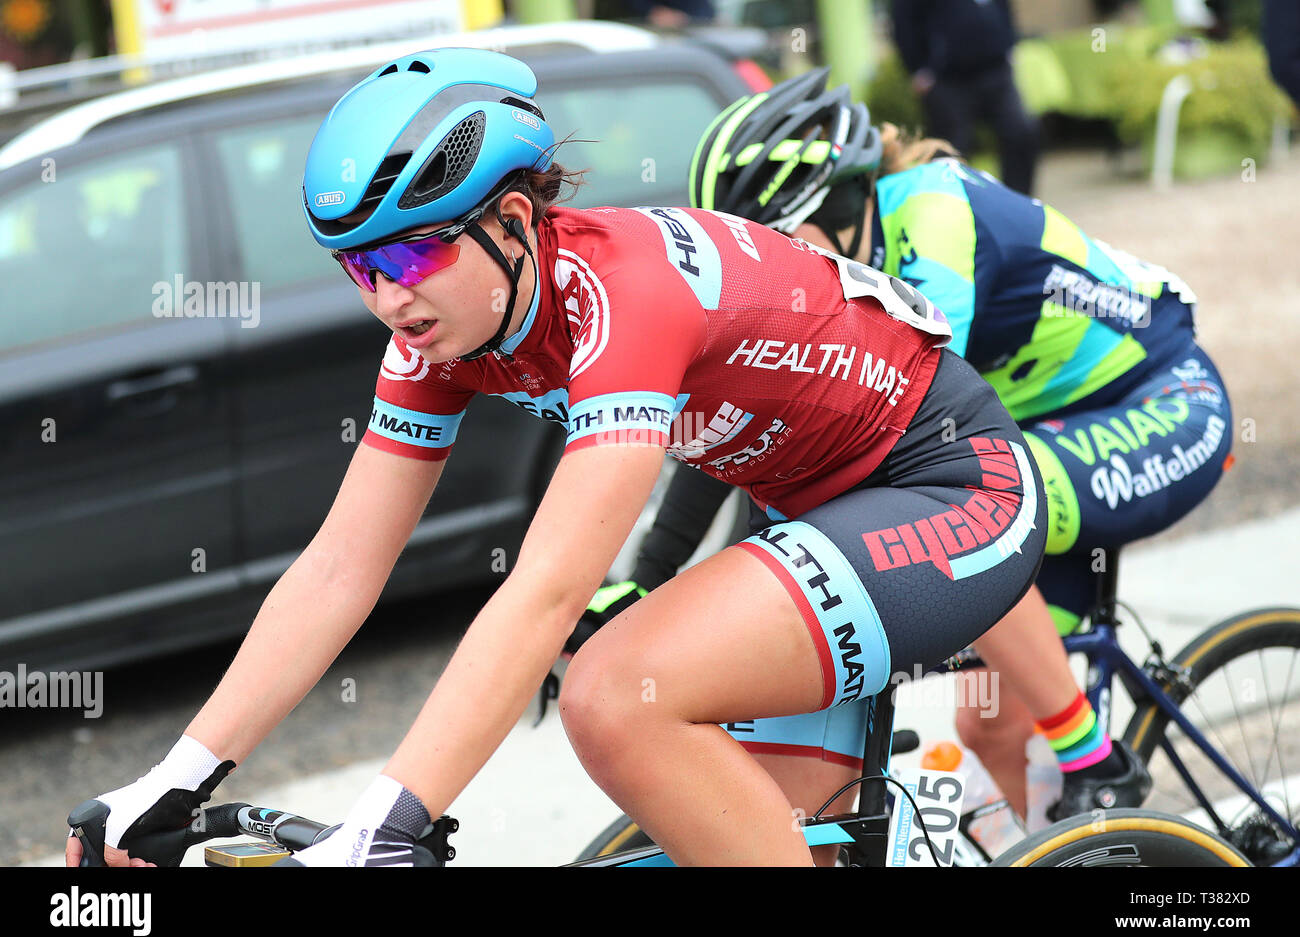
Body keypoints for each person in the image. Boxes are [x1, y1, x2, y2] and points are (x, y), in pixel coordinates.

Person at [64, 48, 1044, 867]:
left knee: (614, 694)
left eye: (408, 256)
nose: (388, 298)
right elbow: (338, 567)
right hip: (812, 509)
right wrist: (172, 778)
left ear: (513, 223)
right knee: (771, 843)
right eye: (358, 268)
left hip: (949, 484)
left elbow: (544, 587)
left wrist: (389, 820)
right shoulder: (435, 336)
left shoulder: (629, 295)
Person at [576, 68, 1234, 836]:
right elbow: (744, 432)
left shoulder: (931, 219)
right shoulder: (824, 264)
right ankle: (1094, 857)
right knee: (991, 726)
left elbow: (899, 453)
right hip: (1038, 427)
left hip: (1158, 402)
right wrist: (645, 579)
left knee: (957, 510)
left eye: (782, 240)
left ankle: (1098, 764)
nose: (769, 264)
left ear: (850, 201)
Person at [890, 0, 1039, 195]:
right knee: (950, 151)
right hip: (947, 79)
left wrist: (1008, 45)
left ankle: (1017, 201)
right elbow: (903, 21)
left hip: (995, 69)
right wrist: (918, 70)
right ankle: (952, 207)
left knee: (1021, 131)